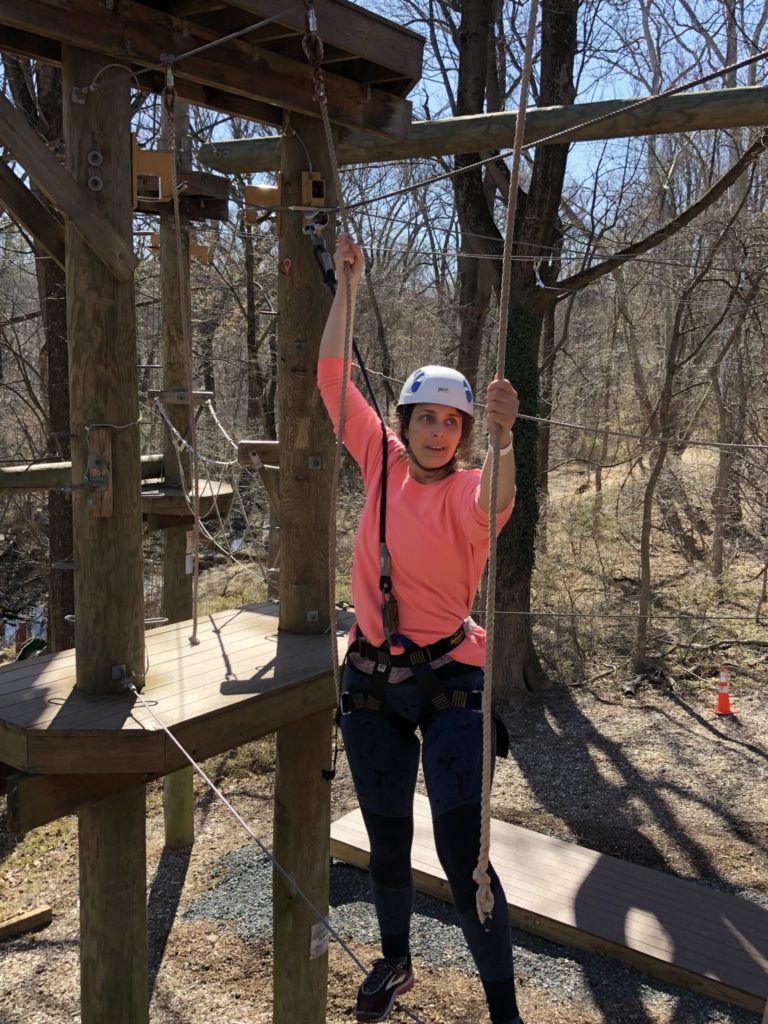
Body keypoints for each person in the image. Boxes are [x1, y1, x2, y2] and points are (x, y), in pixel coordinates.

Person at [318, 234, 524, 1024]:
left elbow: (495, 496)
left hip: (450, 683)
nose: (440, 432)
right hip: (370, 680)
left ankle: (502, 1008)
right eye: (426, 419)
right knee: (386, 837)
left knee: (460, 851)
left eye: (454, 423)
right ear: (404, 421)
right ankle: (396, 960)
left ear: (468, 435)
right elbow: (333, 378)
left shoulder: (474, 489)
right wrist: (348, 285)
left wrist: (506, 437)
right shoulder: (379, 460)